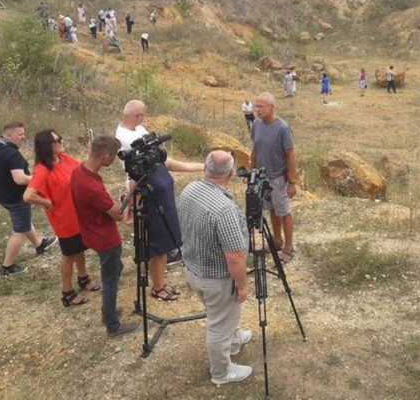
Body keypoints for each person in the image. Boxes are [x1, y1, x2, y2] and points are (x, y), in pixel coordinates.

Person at [177, 151, 253, 385]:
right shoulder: (224, 209)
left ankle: (234, 339)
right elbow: (235, 257)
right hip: (217, 278)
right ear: (230, 173)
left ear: (206, 168)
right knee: (219, 325)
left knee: (222, 315)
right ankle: (221, 372)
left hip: (194, 268)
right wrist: (242, 285)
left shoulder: (189, 190)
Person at [116, 100, 204, 301]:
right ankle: (158, 287)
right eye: (143, 115)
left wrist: (201, 166)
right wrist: (131, 207)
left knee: (163, 245)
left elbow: (166, 162)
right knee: (158, 246)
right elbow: (135, 177)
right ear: (138, 116)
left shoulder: (136, 129)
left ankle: (159, 282)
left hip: (160, 190)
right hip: (150, 195)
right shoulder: (126, 140)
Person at [71, 136, 139, 337]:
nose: (114, 161)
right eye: (113, 156)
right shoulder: (92, 186)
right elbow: (118, 215)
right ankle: (112, 325)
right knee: (110, 281)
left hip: (91, 232)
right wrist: (125, 201)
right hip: (105, 238)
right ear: (105, 156)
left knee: (116, 268)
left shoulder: (78, 172)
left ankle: (108, 311)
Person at [23, 130, 100, 307]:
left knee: (80, 248)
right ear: (47, 146)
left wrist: (91, 151)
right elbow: (28, 196)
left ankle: (83, 278)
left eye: (60, 138)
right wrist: (47, 201)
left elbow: (83, 168)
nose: (61, 141)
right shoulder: (42, 170)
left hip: (77, 216)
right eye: (57, 140)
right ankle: (67, 292)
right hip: (64, 220)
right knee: (69, 255)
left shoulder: (64, 158)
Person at [0, 122, 57, 276]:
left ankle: (40, 245)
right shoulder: (13, 155)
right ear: (8, 135)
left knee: (24, 221)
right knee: (19, 230)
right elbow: (20, 179)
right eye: (19, 134)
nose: (24, 137)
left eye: (23, 133)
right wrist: (38, 178)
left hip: (0, 194)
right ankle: (7, 267)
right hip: (16, 198)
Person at [250, 93, 297, 263]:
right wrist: (252, 173)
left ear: (272, 107)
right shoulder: (256, 124)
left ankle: (288, 247)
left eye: (261, 106)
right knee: (272, 209)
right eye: (257, 106)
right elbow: (255, 149)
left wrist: (292, 181)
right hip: (262, 177)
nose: (257, 110)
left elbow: (290, 155)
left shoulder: (282, 128)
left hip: (278, 178)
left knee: (284, 212)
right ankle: (277, 241)